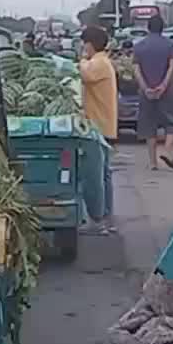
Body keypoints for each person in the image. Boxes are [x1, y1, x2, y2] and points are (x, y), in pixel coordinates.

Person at [77, 26, 117, 234]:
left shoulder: (98, 63)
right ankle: (106, 216)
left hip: (97, 126)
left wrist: (80, 59)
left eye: (84, 44)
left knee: (95, 176)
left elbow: (85, 74)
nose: (83, 47)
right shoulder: (102, 62)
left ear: (90, 44)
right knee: (104, 174)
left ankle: (98, 220)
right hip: (103, 124)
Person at [133, 15, 173, 171]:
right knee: (172, 122)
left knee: (149, 126)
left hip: (145, 93)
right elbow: (172, 66)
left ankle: (153, 162)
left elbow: (136, 70)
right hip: (167, 91)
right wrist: (163, 86)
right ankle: (167, 151)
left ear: (148, 27)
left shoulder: (139, 46)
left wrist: (146, 87)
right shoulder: (169, 45)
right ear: (162, 28)